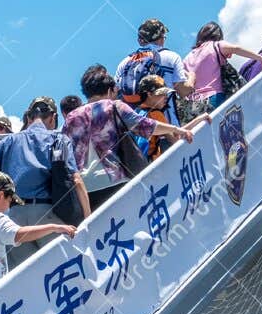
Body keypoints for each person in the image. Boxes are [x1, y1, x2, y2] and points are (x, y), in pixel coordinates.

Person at [66, 64, 194, 209]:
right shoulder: (113, 106)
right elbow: (146, 125)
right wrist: (177, 129)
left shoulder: (71, 117)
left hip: (86, 188)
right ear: (109, 90)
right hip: (115, 180)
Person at [0, 96, 91, 229]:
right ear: (53, 117)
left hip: (14, 217)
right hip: (48, 216)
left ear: (28, 118)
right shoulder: (58, 140)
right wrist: (88, 218)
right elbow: (76, 180)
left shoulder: (8, 141)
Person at [0, 171, 79, 276]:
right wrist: (54, 227)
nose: (8, 207)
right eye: (9, 201)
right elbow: (18, 234)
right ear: (0, 196)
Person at [182, 22, 262, 113]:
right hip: (214, 98)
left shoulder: (187, 58)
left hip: (193, 105)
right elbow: (236, 48)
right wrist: (261, 59)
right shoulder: (216, 45)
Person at [115, 18, 192, 122]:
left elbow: (117, 96)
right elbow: (183, 91)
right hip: (167, 128)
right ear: (161, 38)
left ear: (140, 41)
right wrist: (192, 77)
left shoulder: (124, 63)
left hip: (138, 130)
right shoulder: (171, 57)